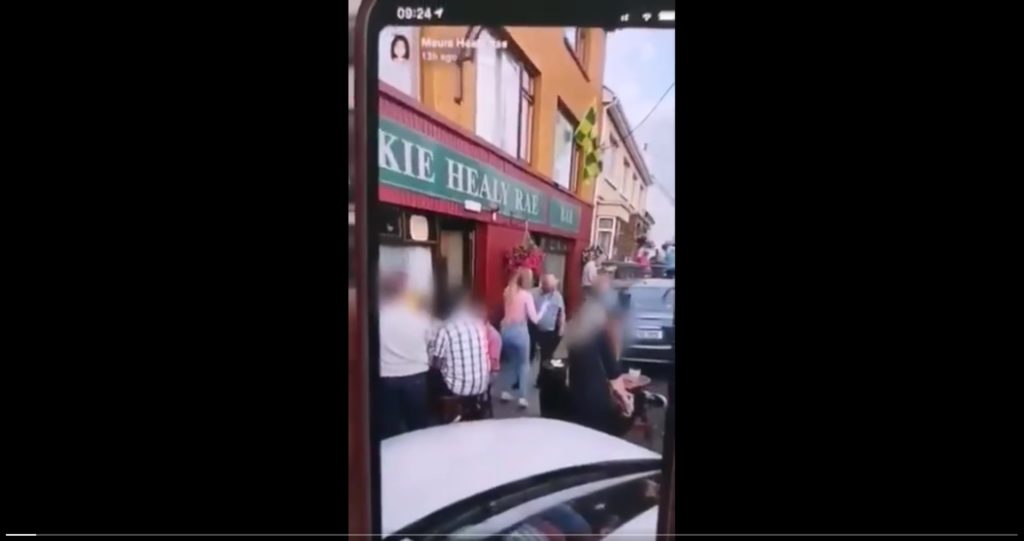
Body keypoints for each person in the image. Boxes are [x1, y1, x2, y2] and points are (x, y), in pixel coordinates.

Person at [561, 273, 633, 435]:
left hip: (575, 395)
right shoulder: (600, 328)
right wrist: (626, 402)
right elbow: (612, 371)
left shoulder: (578, 320)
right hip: (596, 402)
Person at [377, 272, 432, 439]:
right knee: (417, 425)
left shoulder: (378, 315)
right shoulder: (421, 315)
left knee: (389, 427)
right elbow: (431, 341)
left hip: (387, 375)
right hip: (416, 375)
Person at [429, 288, 491, 398]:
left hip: (456, 388)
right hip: (482, 384)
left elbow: (435, 363)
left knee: (431, 375)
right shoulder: (479, 324)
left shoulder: (446, 328)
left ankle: (438, 410)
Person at [498, 268, 542, 408]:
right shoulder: (526, 295)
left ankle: (505, 392)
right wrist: (544, 310)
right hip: (520, 332)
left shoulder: (507, 291)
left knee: (510, 363)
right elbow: (534, 319)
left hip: (505, 331)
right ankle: (522, 397)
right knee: (524, 365)